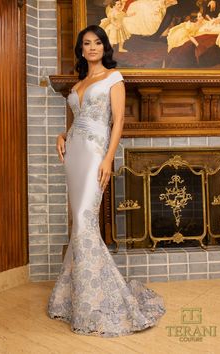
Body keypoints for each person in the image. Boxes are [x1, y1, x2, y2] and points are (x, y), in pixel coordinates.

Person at [47, 24, 166, 337]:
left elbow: (118, 121)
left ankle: (98, 302)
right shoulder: (78, 83)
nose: (92, 48)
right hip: (73, 154)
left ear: (105, 47)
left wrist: (109, 158)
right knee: (79, 223)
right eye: (86, 43)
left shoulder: (114, 78)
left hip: (97, 154)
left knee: (85, 222)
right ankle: (76, 298)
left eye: (97, 42)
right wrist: (62, 134)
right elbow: (77, 122)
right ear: (81, 49)